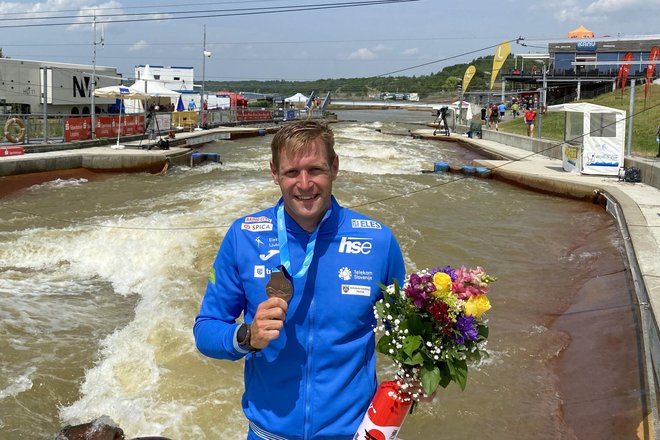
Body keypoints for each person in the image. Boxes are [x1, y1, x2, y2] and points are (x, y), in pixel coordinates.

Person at [193, 120, 406, 440]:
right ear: (274, 173)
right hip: (268, 435)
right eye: (292, 172)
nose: (304, 184)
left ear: (335, 167)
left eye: (315, 169)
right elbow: (205, 329)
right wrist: (246, 336)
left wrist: (421, 373)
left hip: (354, 435)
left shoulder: (378, 241)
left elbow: (403, 333)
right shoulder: (243, 236)